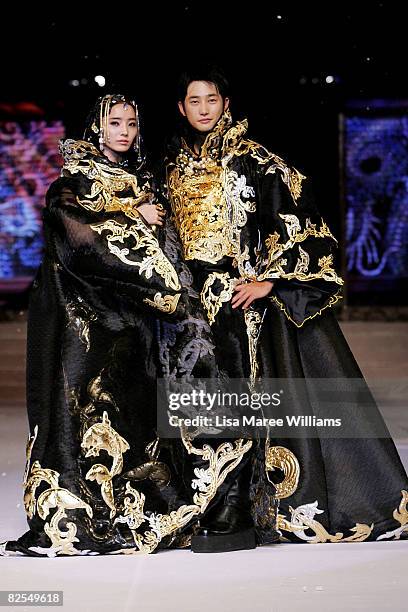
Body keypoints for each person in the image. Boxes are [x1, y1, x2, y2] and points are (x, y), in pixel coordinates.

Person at [165, 64, 408, 553]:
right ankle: (201, 502)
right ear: (181, 108)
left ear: (225, 103)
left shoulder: (258, 163)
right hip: (184, 308)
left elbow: (304, 222)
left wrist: (270, 280)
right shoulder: (168, 168)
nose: (204, 109)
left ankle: (242, 505)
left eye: (212, 99)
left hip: (240, 307)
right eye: (195, 101)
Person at [0, 94, 253, 557]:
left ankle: (132, 508)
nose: (124, 131)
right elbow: (75, 236)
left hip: (134, 319)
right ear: (97, 127)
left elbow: (168, 248)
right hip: (84, 320)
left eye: (132, 124)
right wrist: (133, 217)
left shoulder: (141, 179)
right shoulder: (75, 179)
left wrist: (179, 299)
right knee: (82, 411)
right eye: (114, 123)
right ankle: (77, 515)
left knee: (130, 415)